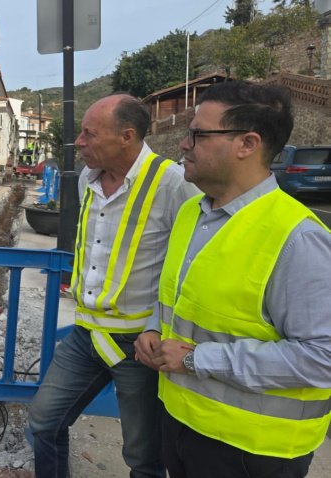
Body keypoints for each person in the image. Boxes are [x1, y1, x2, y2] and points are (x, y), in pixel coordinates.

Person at [136, 82, 331, 478]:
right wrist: (154, 328)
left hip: (254, 451)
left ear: (247, 144)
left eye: (198, 134)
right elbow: (179, 298)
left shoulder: (299, 239)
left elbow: (322, 357)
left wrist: (196, 359)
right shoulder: (191, 213)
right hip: (182, 422)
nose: (184, 144)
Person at [28, 93, 199, 478]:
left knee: (143, 455)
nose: (79, 142)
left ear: (127, 136)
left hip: (139, 342)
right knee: (43, 421)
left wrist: (158, 326)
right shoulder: (86, 179)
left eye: (90, 134)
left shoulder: (172, 183)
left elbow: (189, 264)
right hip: (85, 333)